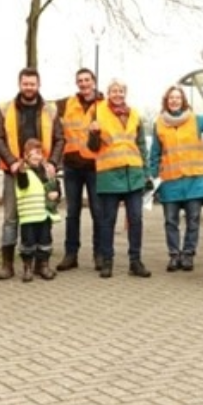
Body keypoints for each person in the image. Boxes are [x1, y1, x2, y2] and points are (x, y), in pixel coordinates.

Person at [0, 68, 64, 281]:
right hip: (15, 171)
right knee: (11, 218)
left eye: (32, 84)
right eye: (25, 83)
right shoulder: (5, 109)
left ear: (38, 84)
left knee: (43, 217)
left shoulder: (50, 109)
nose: (29, 87)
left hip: (42, 172)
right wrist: (12, 161)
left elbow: (60, 138)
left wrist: (52, 163)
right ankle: (7, 264)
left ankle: (42, 264)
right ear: (19, 84)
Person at [149, 82, 203, 273]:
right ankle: (174, 255)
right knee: (170, 221)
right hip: (170, 181)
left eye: (178, 98)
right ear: (166, 101)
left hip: (194, 181)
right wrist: (153, 175)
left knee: (193, 220)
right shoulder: (159, 124)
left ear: (183, 101)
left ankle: (188, 254)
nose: (174, 101)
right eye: (171, 98)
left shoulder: (196, 120)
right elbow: (155, 152)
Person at [88, 79, 152, 279]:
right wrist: (94, 133)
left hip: (133, 173)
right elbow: (92, 147)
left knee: (136, 219)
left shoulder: (134, 114)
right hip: (109, 174)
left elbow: (141, 144)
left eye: (121, 91)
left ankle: (136, 261)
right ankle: (107, 261)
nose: (118, 94)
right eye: (114, 91)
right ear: (108, 93)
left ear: (125, 93)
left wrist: (146, 172)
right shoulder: (98, 112)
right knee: (108, 221)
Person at [55, 68, 102, 272]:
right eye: (80, 80)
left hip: (95, 166)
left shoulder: (104, 105)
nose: (84, 84)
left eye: (87, 80)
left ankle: (99, 254)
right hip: (72, 166)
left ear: (94, 81)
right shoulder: (65, 104)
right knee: (72, 213)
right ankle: (70, 254)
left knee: (98, 213)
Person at [15, 139, 61, 282]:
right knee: (28, 242)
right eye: (33, 153)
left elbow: (55, 186)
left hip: (44, 214)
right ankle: (27, 268)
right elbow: (22, 185)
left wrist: (57, 193)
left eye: (39, 153)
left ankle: (43, 266)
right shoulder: (23, 171)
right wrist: (21, 171)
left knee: (45, 241)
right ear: (26, 155)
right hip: (28, 216)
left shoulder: (47, 171)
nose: (37, 156)